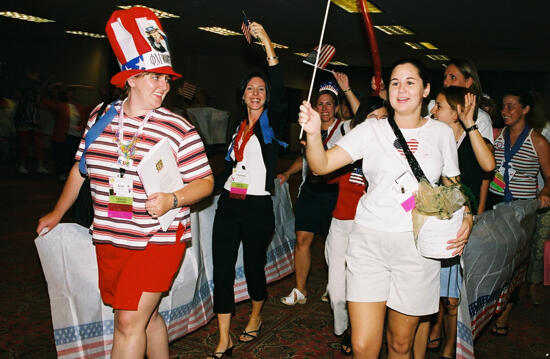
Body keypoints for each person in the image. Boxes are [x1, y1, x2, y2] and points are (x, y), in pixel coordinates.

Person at [36, 7, 213, 359]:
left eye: (167, 79)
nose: (164, 86)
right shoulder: (100, 117)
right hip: (111, 235)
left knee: (128, 323)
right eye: (154, 77)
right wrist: (58, 212)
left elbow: (205, 183)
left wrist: (173, 199)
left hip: (159, 238)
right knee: (143, 318)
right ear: (130, 78)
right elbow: (80, 169)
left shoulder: (178, 127)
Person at [298, 58, 472, 359]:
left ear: (426, 89)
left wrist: (467, 215)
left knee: (400, 345)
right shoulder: (371, 130)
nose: (401, 89)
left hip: (418, 248)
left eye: (410, 82)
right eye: (394, 82)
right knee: (364, 346)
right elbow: (320, 164)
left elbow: (454, 186)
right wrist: (314, 134)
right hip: (368, 244)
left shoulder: (441, 133)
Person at [209, 22, 286, 359]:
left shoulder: (273, 125)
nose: (256, 94)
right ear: (242, 94)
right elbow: (230, 166)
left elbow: (280, 87)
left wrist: (266, 41)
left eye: (261, 89)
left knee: (254, 267)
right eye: (250, 89)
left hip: (257, 207)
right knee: (222, 270)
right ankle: (223, 338)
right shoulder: (236, 126)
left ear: (266, 96)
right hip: (229, 203)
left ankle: (255, 314)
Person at [421, 86, 495, 359]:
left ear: (455, 113)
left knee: (452, 298)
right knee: (429, 291)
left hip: (460, 227)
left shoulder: (472, 139)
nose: (433, 110)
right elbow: (419, 186)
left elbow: (488, 166)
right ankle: (430, 335)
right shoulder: (431, 141)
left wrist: (470, 124)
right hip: (432, 226)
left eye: (439, 106)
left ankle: (450, 349)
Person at [324, 96, 387, 355]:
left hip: (372, 231)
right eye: (372, 120)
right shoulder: (348, 151)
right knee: (337, 292)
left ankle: (356, 329)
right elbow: (322, 173)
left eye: (383, 120)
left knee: (365, 289)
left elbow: (410, 198)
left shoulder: (392, 156)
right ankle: (346, 325)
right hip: (341, 225)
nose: (377, 126)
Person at [486, 90, 550, 336]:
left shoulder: (538, 141)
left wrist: (545, 192)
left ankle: (504, 315)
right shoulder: (498, 136)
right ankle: (493, 307)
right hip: (497, 205)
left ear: (526, 110)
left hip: (522, 211)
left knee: (514, 265)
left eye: (511, 106)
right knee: (497, 262)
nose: (505, 111)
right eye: (503, 106)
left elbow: (549, 176)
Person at [279, 81, 349, 306]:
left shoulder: (346, 129)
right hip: (310, 190)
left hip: (335, 192)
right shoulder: (311, 129)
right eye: (320, 104)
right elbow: (304, 158)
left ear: (336, 107)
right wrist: (288, 173)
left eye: (329, 104)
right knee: (303, 239)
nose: (325, 108)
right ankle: (300, 289)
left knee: (334, 244)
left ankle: (334, 285)